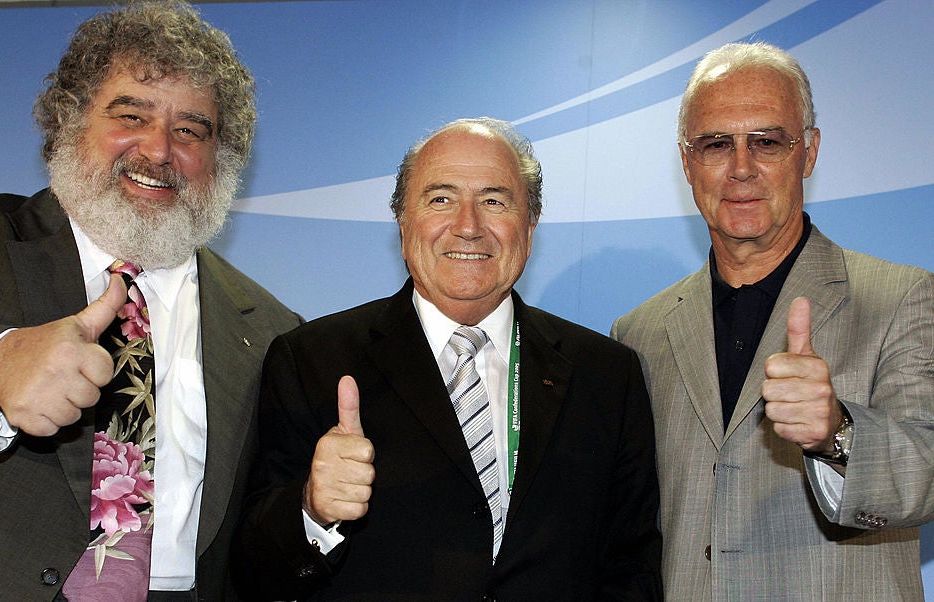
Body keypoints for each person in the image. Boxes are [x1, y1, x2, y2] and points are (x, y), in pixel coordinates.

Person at [0, 2, 300, 599]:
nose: (158, 150)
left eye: (191, 130)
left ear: (223, 159)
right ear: (68, 121)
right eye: (131, 115)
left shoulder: (274, 331)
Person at [231, 117, 662, 600]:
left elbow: (632, 563)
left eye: (494, 201)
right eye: (441, 199)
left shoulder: (606, 373)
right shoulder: (312, 359)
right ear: (402, 220)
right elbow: (250, 567)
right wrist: (311, 510)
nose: (468, 226)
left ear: (531, 223)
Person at [611, 41, 934, 599]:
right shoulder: (637, 333)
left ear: (808, 153)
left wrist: (837, 430)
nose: (741, 168)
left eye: (766, 142)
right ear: (687, 163)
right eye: (716, 144)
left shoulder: (902, 297)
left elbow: (927, 474)